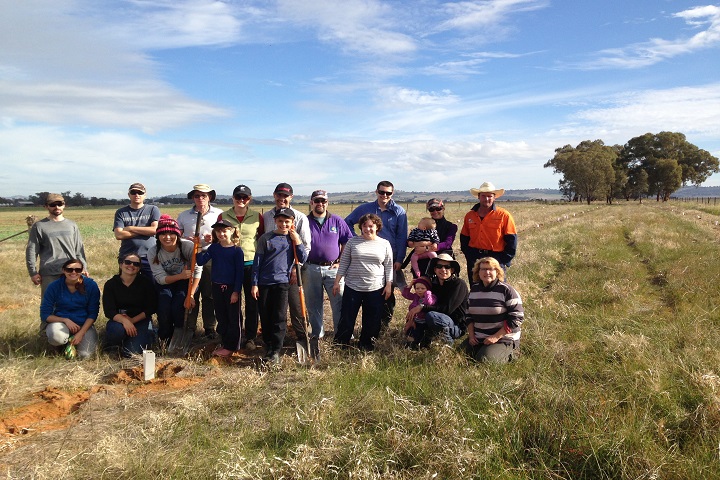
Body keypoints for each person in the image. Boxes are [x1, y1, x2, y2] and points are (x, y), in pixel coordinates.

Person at [344, 181, 407, 329]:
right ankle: (367, 325)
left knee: (387, 291)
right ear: (376, 192)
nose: (384, 195)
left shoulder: (399, 212)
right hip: (366, 257)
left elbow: (401, 236)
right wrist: (356, 239)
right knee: (368, 289)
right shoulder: (365, 209)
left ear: (392, 193)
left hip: (389, 257)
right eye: (381, 192)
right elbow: (347, 222)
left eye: (388, 193)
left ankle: (383, 324)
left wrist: (399, 259)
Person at [251, 208, 308, 365]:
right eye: (280, 221)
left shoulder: (292, 239)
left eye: (287, 221)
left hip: (282, 283)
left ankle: (276, 349)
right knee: (266, 315)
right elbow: (257, 262)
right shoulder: (266, 238)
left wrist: (297, 240)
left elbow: (302, 257)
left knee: (279, 316)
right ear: (275, 221)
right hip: (264, 283)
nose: (283, 224)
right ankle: (268, 346)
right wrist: (254, 283)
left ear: (292, 223)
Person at [261, 183, 312, 355]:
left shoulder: (300, 217)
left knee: (296, 305)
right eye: (279, 195)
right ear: (274, 195)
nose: (282, 199)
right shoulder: (267, 216)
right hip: (272, 272)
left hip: (293, 269)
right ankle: (272, 342)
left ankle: (302, 335)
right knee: (275, 308)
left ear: (291, 197)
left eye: (286, 196)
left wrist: (295, 269)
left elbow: (305, 246)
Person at [302, 189, 353, 353]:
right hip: (310, 267)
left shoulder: (337, 221)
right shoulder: (304, 221)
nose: (320, 204)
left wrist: (340, 262)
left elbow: (347, 241)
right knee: (313, 303)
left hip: (333, 269)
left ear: (327, 203)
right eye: (317, 201)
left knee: (339, 301)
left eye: (323, 201)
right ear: (311, 202)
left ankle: (342, 335)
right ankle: (317, 334)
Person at [333, 213, 393, 351]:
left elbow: (389, 266)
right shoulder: (352, 242)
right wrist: (337, 281)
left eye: (371, 226)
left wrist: (389, 284)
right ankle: (341, 345)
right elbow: (344, 263)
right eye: (364, 226)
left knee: (372, 319)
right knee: (347, 317)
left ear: (377, 227)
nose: (367, 229)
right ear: (361, 227)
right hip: (353, 287)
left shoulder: (384, 244)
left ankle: (366, 345)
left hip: (376, 288)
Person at [217, 184, 264, 350]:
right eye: (238, 197)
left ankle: (250, 337)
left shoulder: (258, 217)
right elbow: (218, 238)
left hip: (251, 264)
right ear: (233, 198)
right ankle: (233, 334)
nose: (241, 200)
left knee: (252, 303)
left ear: (249, 199)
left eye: (245, 198)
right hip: (230, 266)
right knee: (232, 302)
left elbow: (262, 239)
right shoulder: (223, 216)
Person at [178, 184, 223, 338]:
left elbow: (225, 234)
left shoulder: (218, 214)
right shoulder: (184, 215)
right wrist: (186, 239)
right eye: (197, 196)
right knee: (192, 292)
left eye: (204, 195)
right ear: (193, 198)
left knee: (209, 294)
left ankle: (209, 328)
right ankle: (190, 327)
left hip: (211, 256)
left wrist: (214, 238)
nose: (200, 199)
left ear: (210, 197)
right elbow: (177, 236)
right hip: (191, 256)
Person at [148, 215, 202, 343]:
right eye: (163, 234)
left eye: (171, 233)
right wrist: (180, 276)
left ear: (178, 234)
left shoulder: (188, 246)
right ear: (158, 236)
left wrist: (191, 294)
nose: (167, 237)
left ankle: (179, 336)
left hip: (186, 282)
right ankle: (164, 338)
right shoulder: (153, 252)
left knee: (179, 305)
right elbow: (160, 279)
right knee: (164, 306)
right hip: (167, 282)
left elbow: (198, 270)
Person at [196, 219, 245, 357]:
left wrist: (236, 291)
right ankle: (224, 341)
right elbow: (200, 261)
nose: (221, 234)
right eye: (218, 231)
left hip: (231, 288)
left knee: (233, 317)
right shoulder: (214, 248)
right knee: (221, 315)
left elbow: (239, 273)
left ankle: (233, 345)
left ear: (231, 231)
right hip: (216, 287)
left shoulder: (237, 251)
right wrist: (199, 246)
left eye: (224, 231)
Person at [463, 257, 524, 363]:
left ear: (497, 271)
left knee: (484, 360)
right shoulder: (474, 290)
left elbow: (517, 318)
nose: (487, 272)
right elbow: (468, 315)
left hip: (503, 338)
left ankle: (512, 352)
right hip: (479, 336)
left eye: (491, 269)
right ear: (478, 272)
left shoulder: (506, 290)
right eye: (483, 269)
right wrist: (471, 335)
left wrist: (496, 337)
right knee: (459, 354)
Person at [26, 193, 88, 296]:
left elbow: (79, 250)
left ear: (64, 205)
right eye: (52, 204)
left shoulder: (72, 225)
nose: (57, 207)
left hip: (72, 272)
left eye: (59, 204)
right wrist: (33, 272)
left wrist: (83, 267)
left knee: (74, 304)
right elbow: (32, 251)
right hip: (49, 274)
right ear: (46, 206)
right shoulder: (39, 226)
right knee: (50, 306)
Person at [40, 258, 100, 359]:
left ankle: (74, 343)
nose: (73, 272)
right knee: (57, 337)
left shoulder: (91, 285)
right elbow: (45, 314)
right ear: (63, 270)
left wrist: (81, 333)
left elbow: (93, 313)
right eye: (69, 270)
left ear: (82, 270)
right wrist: (65, 320)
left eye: (77, 270)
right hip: (60, 323)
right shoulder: (54, 286)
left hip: (84, 325)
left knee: (85, 356)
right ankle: (60, 346)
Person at [102, 252, 158, 357]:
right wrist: (125, 321)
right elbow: (109, 310)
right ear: (121, 264)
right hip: (119, 321)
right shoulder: (111, 284)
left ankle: (150, 334)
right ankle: (114, 345)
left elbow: (151, 307)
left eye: (136, 264)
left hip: (141, 320)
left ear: (139, 268)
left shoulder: (146, 283)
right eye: (128, 262)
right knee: (116, 331)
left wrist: (132, 321)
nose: (131, 266)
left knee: (130, 353)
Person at [406, 253, 468, 346]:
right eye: (439, 266)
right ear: (435, 269)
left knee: (432, 316)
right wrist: (412, 319)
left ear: (452, 270)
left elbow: (447, 309)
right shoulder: (433, 284)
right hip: (436, 320)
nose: (443, 270)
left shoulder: (458, 284)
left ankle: (446, 344)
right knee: (411, 336)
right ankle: (428, 338)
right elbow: (419, 301)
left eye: (447, 267)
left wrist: (422, 307)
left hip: (456, 325)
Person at [460, 182, 517, 281]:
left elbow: (512, 240)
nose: (486, 199)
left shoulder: (504, 215)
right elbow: (464, 238)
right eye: (483, 196)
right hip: (475, 257)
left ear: (494, 197)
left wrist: (503, 260)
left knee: (498, 289)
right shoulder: (470, 215)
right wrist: (469, 255)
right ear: (478, 197)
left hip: (496, 257)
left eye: (489, 196)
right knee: (476, 289)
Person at [113, 182, 160, 281]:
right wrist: (145, 230)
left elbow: (154, 230)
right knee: (127, 285)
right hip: (127, 257)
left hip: (150, 256)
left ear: (145, 195)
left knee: (152, 287)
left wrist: (130, 228)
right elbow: (119, 235)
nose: (137, 195)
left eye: (140, 192)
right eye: (133, 192)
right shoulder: (121, 212)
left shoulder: (153, 209)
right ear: (129, 195)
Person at [403, 198, 458, 278]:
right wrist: (416, 243)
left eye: (438, 208)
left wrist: (426, 248)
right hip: (422, 262)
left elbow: (447, 244)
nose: (435, 212)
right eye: (431, 209)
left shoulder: (451, 226)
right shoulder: (423, 224)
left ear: (443, 208)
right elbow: (410, 241)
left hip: (442, 262)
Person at [400, 276, 436, 347]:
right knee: (411, 332)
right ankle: (410, 344)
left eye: (423, 288)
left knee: (421, 334)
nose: (419, 290)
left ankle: (419, 343)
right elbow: (405, 294)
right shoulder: (416, 296)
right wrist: (410, 285)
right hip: (415, 320)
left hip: (425, 322)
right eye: (417, 288)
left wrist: (427, 293)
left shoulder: (432, 296)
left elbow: (429, 302)